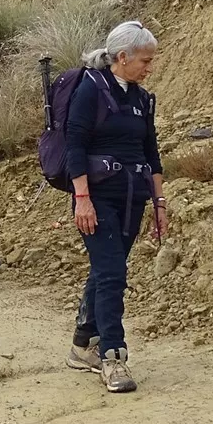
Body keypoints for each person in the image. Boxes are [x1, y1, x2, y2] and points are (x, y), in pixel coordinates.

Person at [65, 21, 166, 394]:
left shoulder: (141, 98)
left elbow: (151, 152)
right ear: (121, 58)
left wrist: (159, 203)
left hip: (132, 198)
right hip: (97, 198)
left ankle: (80, 346)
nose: (149, 67)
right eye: (144, 60)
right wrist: (82, 199)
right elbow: (74, 145)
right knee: (111, 274)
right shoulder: (90, 90)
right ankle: (112, 356)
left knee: (108, 269)